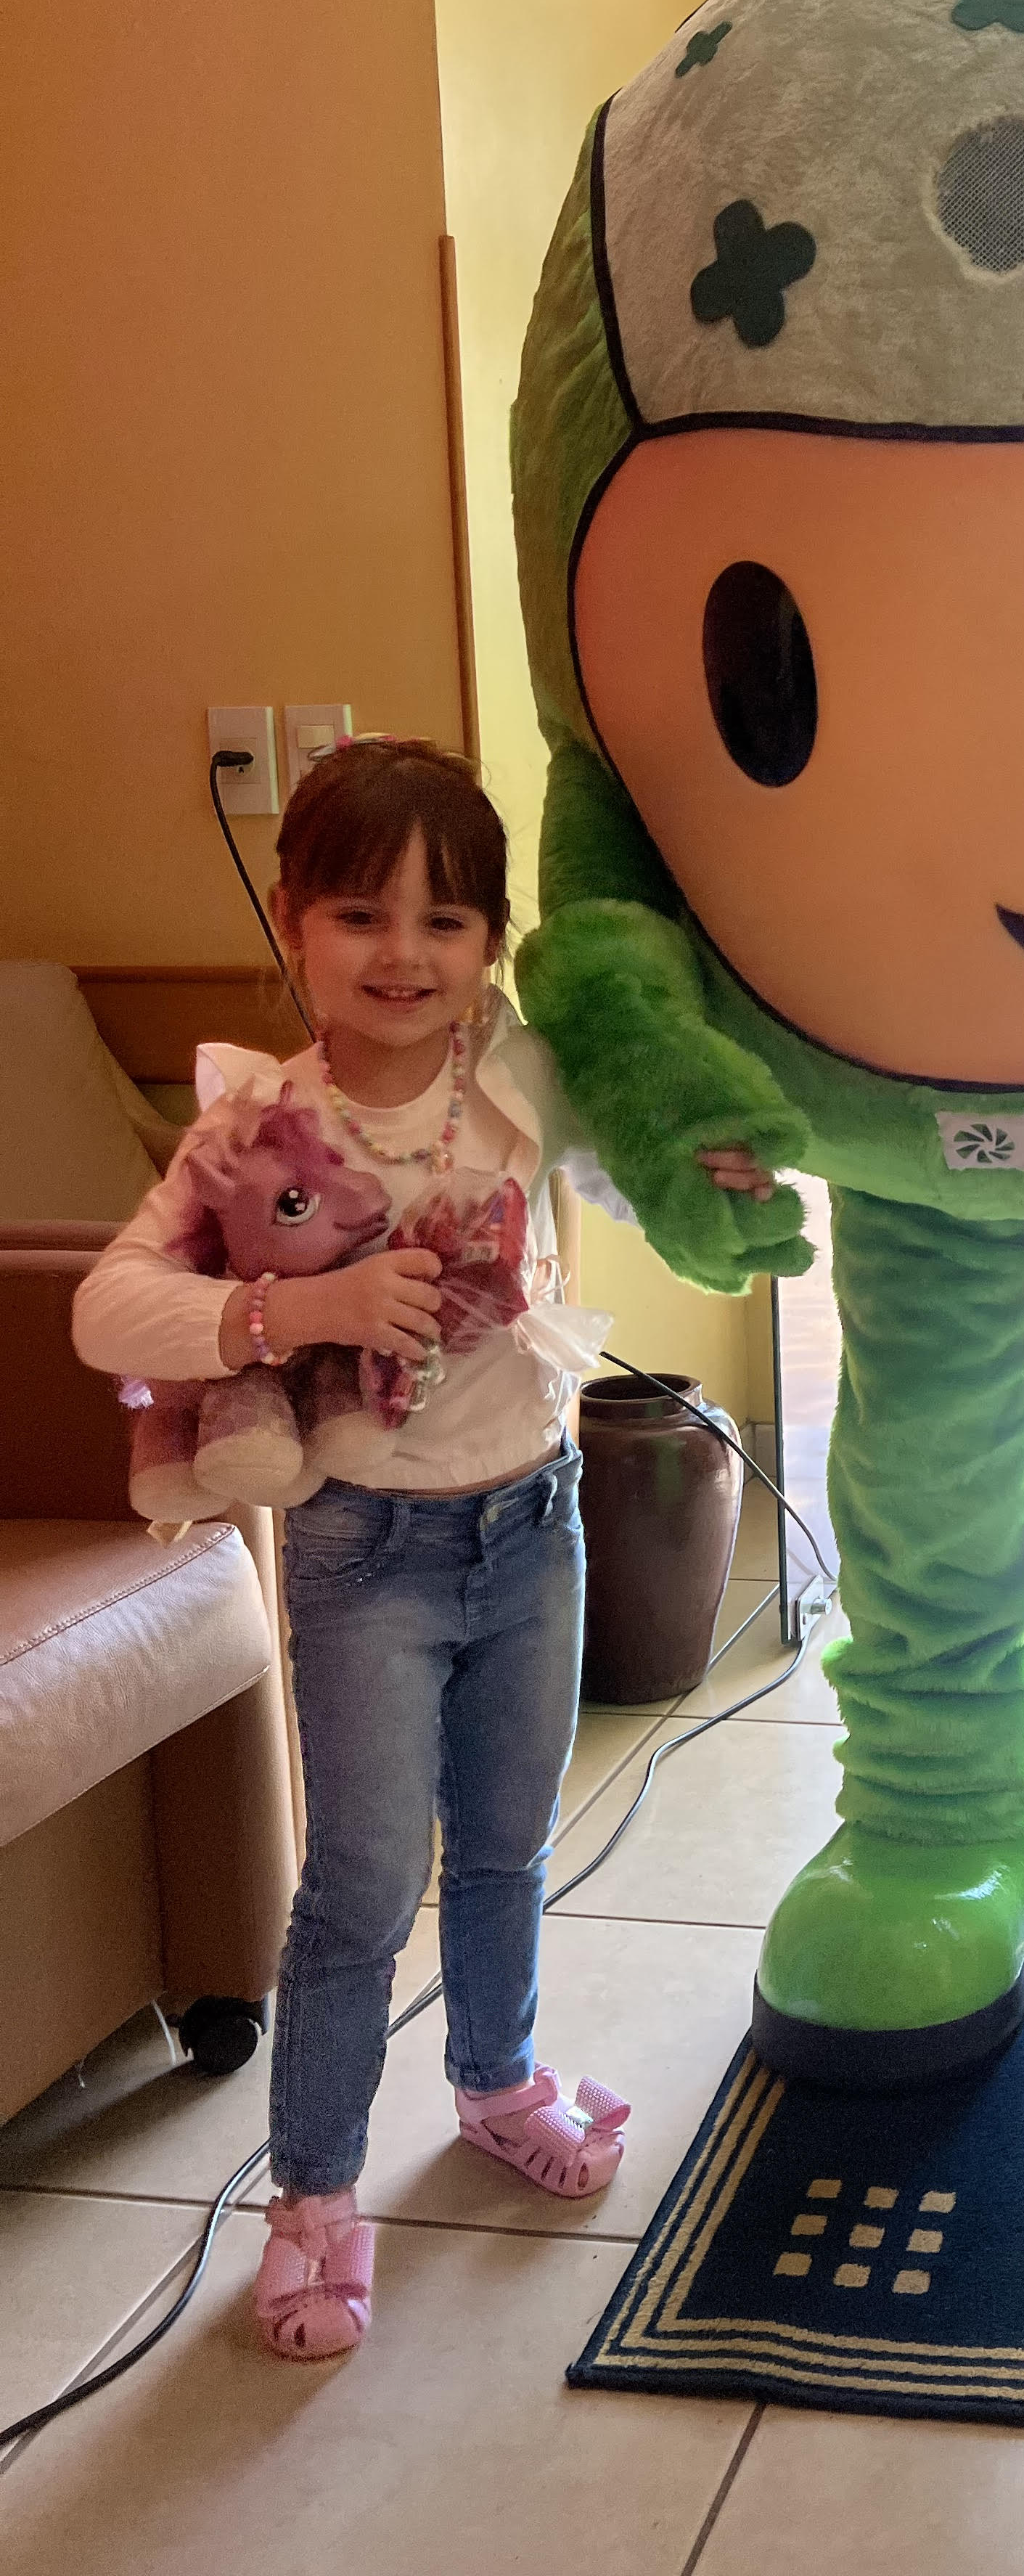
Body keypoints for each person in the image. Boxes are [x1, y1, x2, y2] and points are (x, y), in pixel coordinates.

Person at [73, 740, 772, 2363]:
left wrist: (708, 1170)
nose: (405, 954)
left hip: (535, 1522)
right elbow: (109, 1309)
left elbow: (635, 1173)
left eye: (447, 921)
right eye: (361, 915)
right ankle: (314, 2198)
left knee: (512, 1842)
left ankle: (498, 2079)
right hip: (361, 1551)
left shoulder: (519, 1075)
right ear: (293, 927)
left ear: (490, 943)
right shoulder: (257, 1124)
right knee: (365, 1886)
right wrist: (293, 1308)